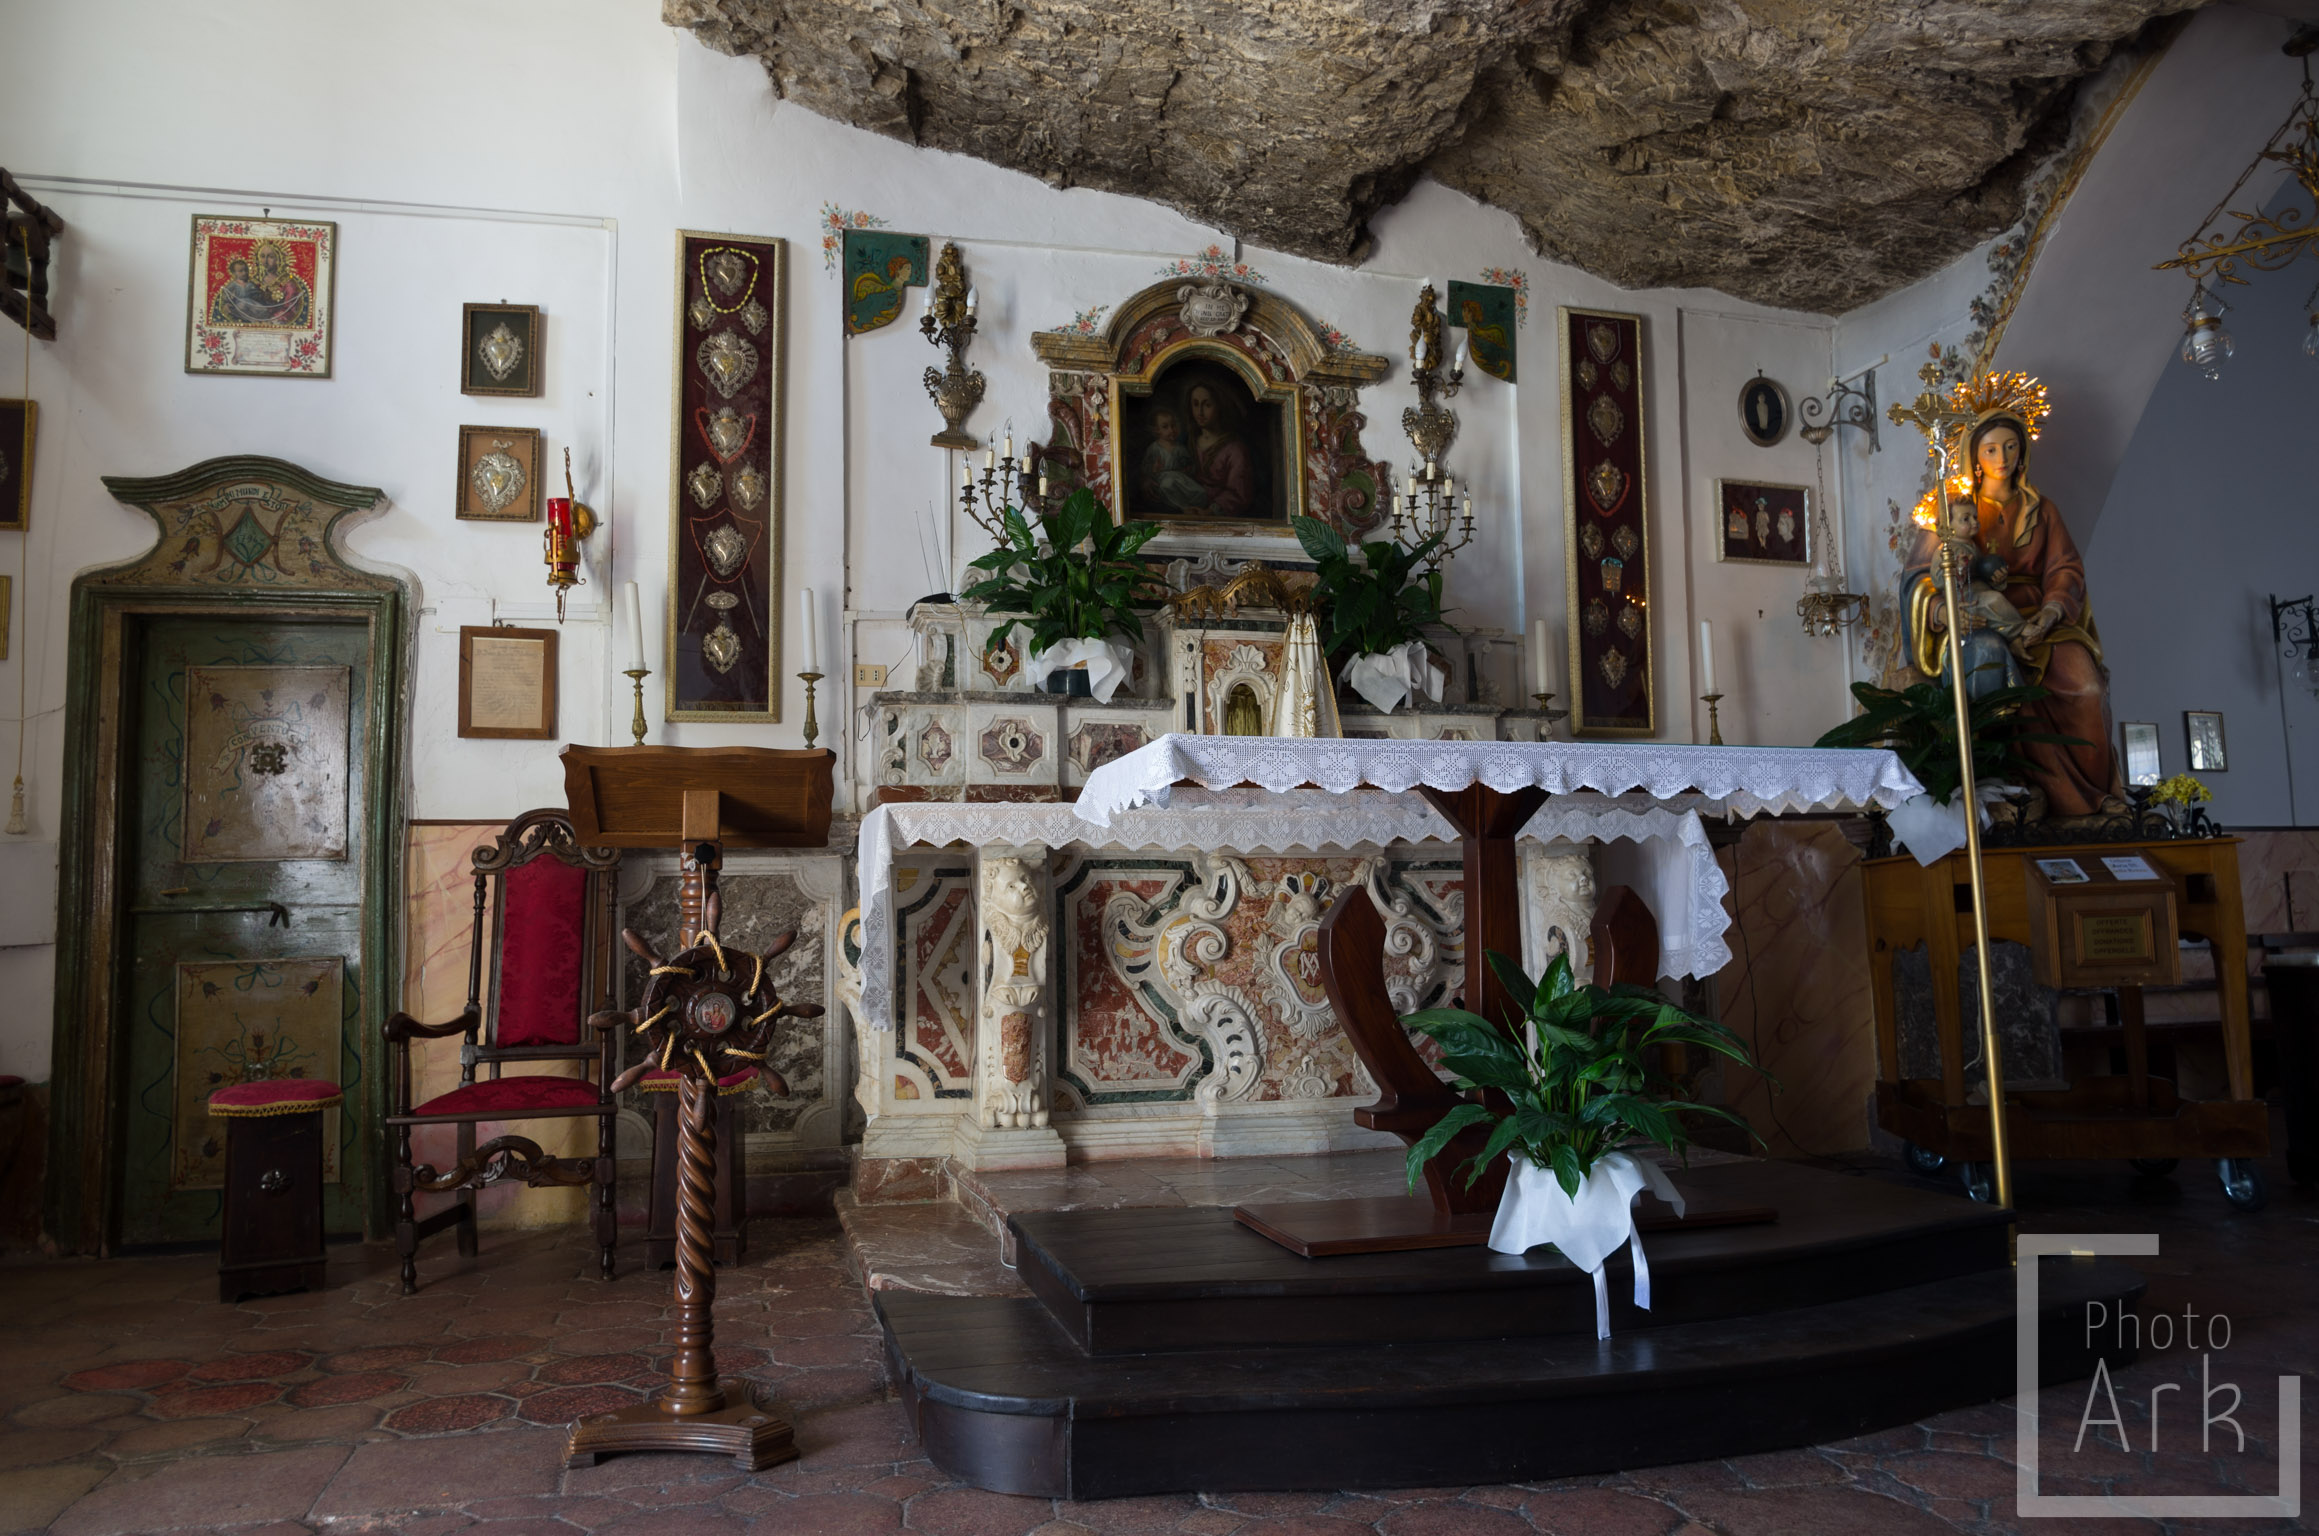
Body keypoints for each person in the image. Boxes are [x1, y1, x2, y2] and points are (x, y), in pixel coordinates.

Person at [1901, 391, 2125, 817]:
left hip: (2042, 621)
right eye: (1990, 449)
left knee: (2087, 687)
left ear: (2022, 451)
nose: (2001, 458)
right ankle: (2009, 793)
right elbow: (1918, 578)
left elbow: (2065, 569)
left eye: (2010, 447)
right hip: (1978, 618)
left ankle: (2092, 802)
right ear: (1975, 455)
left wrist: (2051, 611)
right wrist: (1944, 612)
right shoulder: (1954, 508)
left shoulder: (2043, 509)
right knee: (1990, 666)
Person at [1185, 381, 1257, 519]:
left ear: (1219, 406)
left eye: (1207, 405)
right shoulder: (1186, 441)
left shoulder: (1234, 449)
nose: (1200, 412)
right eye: (1195, 404)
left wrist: (1210, 512)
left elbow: (1238, 493)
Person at [1138, 407, 1209, 512]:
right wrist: (1154, 468)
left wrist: (1188, 468)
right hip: (1163, 480)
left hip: (1180, 479)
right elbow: (1145, 468)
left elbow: (1190, 465)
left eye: (1173, 425)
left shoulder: (1180, 448)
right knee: (1167, 485)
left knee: (1201, 493)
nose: (1171, 430)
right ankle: (1184, 508)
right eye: (1165, 427)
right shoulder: (1154, 448)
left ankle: (1194, 506)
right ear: (1157, 430)